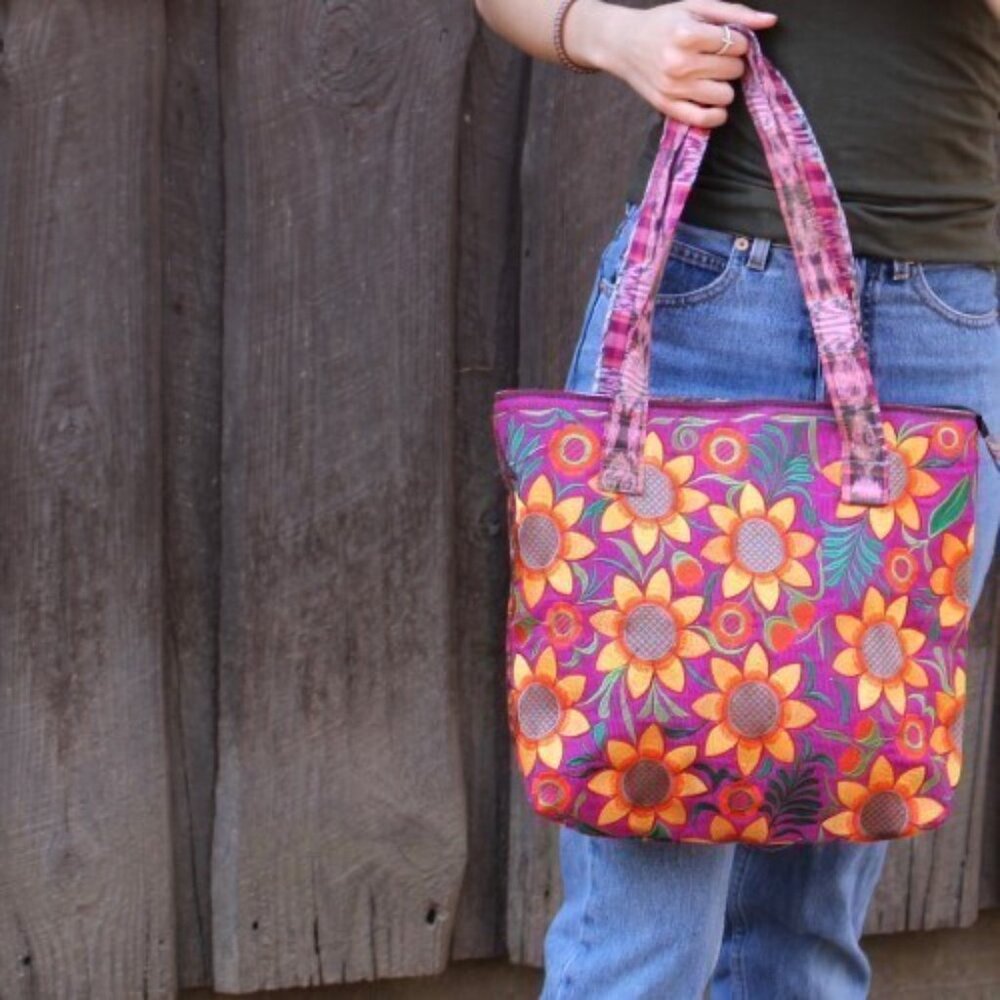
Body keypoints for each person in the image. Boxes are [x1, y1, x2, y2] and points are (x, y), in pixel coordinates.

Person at [474, 1, 1000, 997]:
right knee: (644, 936)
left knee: (805, 937)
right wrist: (608, 35)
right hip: (704, 305)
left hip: (938, 324)